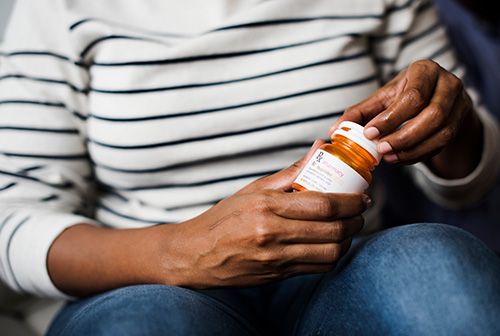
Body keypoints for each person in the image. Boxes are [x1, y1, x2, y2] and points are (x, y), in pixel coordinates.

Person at [1, 0, 500, 335]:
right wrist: (177, 251)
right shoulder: (56, 11)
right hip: (146, 280)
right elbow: (12, 219)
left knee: (434, 270)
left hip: (346, 265)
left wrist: (453, 125)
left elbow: (467, 183)